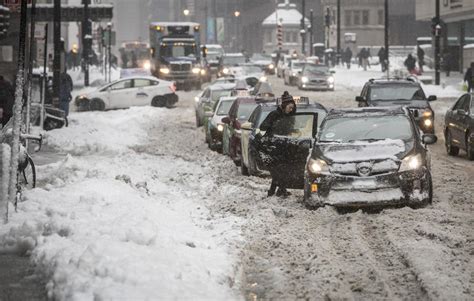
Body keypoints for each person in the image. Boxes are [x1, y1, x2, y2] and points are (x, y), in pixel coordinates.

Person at [260, 91, 297, 197]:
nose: (291, 110)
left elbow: (289, 130)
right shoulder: (274, 115)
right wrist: (274, 127)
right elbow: (263, 127)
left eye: (292, 108)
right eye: (290, 108)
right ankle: (276, 191)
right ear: (284, 106)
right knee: (278, 171)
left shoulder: (289, 117)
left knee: (282, 171)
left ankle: (279, 190)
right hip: (272, 147)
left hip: (284, 147)